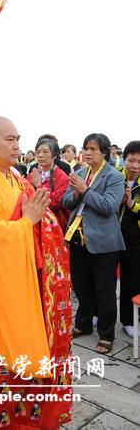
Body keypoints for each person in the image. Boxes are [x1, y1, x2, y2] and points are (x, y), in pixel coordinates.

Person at [0, 116, 73, 430]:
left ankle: (25, 416)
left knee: (20, 359)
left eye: (17, 138)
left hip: (22, 281)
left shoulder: (14, 176)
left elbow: (37, 217)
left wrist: (37, 215)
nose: (17, 146)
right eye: (10, 139)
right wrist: (27, 222)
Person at [62, 133, 125, 354]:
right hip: (78, 238)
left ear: (105, 152)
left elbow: (109, 206)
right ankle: (83, 323)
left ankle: (107, 335)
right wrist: (78, 192)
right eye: (86, 148)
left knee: (105, 290)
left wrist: (85, 190)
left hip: (104, 243)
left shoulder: (114, 176)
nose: (88, 152)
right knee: (81, 286)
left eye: (93, 149)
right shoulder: (79, 173)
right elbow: (66, 201)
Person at [119, 141, 140, 337]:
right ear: (123, 159)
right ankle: (98, 315)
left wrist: (131, 203)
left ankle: (128, 320)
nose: (135, 165)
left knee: (131, 280)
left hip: (134, 239)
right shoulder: (114, 176)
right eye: (131, 160)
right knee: (104, 279)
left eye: (139, 162)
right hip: (110, 236)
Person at [28, 138, 69, 231]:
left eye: (45, 152)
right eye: (38, 152)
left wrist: (38, 185)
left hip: (53, 226)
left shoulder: (62, 177)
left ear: (54, 156)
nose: (40, 155)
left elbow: (55, 202)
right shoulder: (34, 173)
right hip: (34, 224)